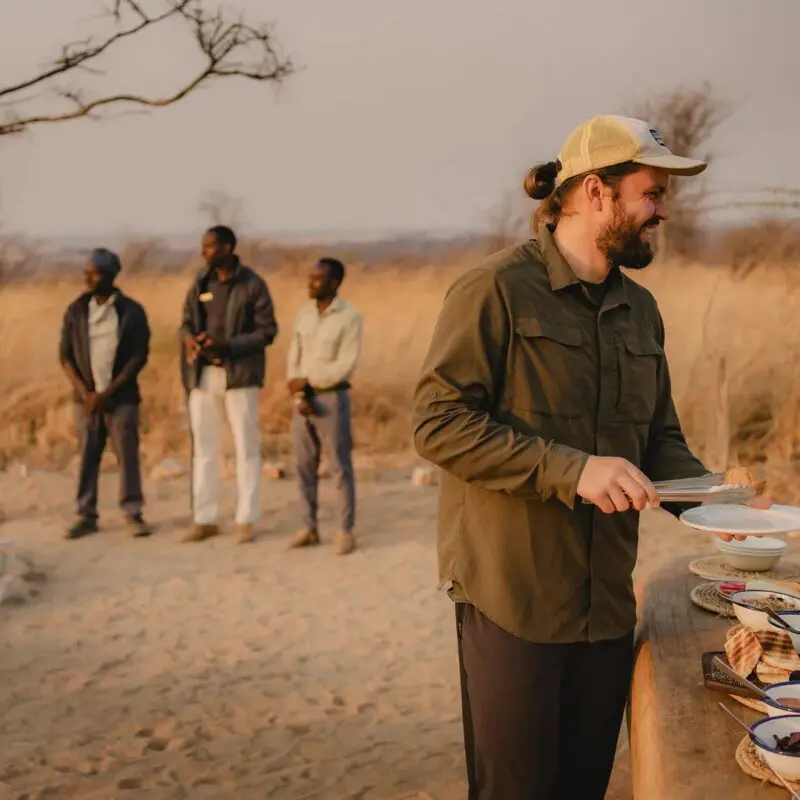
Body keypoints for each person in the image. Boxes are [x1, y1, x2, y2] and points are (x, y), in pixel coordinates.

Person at [411, 115, 769, 799]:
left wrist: (725, 506)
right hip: (514, 598)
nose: (662, 211)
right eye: (651, 194)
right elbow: (438, 423)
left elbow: (658, 440)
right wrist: (573, 470)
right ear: (596, 192)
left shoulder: (641, 311)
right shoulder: (494, 291)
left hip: (606, 606)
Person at [180, 225, 278, 544]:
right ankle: (204, 518)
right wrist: (191, 341)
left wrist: (227, 345)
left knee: (245, 448)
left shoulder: (253, 284)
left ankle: (245, 518)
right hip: (203, 376)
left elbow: (267, 332)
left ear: (229, 247)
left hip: (239, 377)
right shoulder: (200, 282)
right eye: (203, 246)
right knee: (204, 450)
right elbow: (185, 323)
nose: (204, 252)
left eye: (210, 247)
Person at [59, 248, 151, 539]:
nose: (87, 278)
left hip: (121, 398)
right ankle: (86, 514)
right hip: (86, 399)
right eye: (85, 272)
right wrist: (86, 393)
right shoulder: (76, 310)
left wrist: (108, 391)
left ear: (111, 276)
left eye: (94, 272)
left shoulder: (131, 311)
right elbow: (65, 356)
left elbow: (138, 357)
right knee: (87, 455)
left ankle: (132, 511)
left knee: (127, 454)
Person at [285, 257, 363, 556]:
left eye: (318, 279)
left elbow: (346, 363)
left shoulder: (350, 317)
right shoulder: (303, 314)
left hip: (331, 398)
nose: (311, 284)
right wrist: (297, 389)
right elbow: (294, 353)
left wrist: (309, 383)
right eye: (310, 278)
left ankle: (345, 530)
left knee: (339, 465)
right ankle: (309, 527)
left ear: (335, 283)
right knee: (303, 465)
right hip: (302, 399)